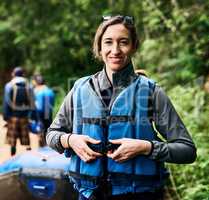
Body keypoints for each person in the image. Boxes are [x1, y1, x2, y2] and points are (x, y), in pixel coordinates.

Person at [46, 15, 197, 200]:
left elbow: (187, 150)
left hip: (140, 194)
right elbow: (52, 134)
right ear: (99, 48)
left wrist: (145, 147)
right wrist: (69, 140)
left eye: (123, 42)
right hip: (89, 194)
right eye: (108, 42)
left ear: (133, 46)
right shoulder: (80, 88)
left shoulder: (151, 91)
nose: (115, 50)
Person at [3, 66, 34, 156]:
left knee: (13, 138)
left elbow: (6, 103)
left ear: (14, 74)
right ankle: (29, 155)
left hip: (13, 116)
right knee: (25, 137)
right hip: (24, 117)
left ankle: (13, 154)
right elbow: (32, 103)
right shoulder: (29, 86)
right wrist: (32, 116)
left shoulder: (9, 85)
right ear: (23, 75)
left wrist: (6, 117)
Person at [32, 74, 55, 147]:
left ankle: (42, 146)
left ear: (36, 82)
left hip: (39, 113)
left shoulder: (36, 91)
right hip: (48, 113)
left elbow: (35, 105)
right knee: (47, 130)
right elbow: (52, 104)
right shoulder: (50, 91)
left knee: (40, 131)